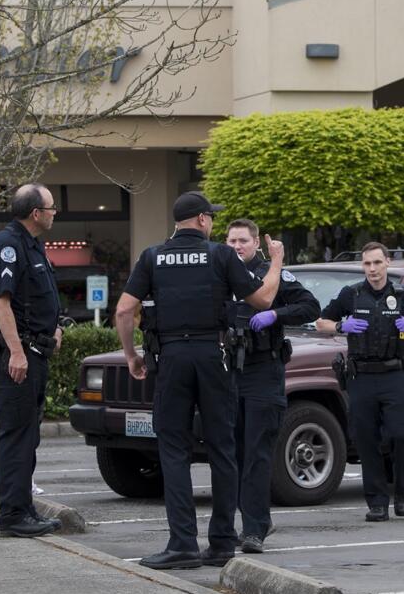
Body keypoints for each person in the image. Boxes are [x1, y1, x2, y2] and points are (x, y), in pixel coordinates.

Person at [114, 191, 284, 570]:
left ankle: (182, 545)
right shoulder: (220, 255)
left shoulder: (153, 256)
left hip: (171, 358)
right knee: (223, 449)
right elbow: (264, 300)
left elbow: (125, 310)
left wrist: (131, 355)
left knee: (174, 450)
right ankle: (222, 542)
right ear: (204, 220)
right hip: (214, 356)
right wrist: (276, 262)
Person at [316, 242, 404, 522]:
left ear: (387, 263)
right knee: (366, 440)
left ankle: (402, 493)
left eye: (377, 263)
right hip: (362, 377)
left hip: (394, 374)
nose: (372, 269)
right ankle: (377, 502)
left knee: (400, 435)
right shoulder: (351, 294)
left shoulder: (403, 295)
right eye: (367, 264)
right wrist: (342, 326)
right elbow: (321, 322)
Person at [224, 219, 320, 553]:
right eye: (232, 240)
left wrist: (275, 315)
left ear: (256, 245)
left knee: (257, 454)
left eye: (243, 241)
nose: (237, 246)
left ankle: (253, 530)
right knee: (233, 454)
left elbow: (310, 306)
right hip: (229, 372)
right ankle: (252, 521)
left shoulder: (271, 272)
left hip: (263, 371)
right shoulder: (221, 272)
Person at [0, 183, 63, 539]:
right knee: (17, 435)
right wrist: (16, 352)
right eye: (51, 208)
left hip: (35, 352)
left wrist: (55, 327)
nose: (54, 213)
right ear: (36, 213)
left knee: (28, 436)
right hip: (18, 355)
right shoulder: (8, 245)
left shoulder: (32, 244)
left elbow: (37, 298)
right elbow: (2, 304)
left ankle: (24, 508)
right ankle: (13, 516)